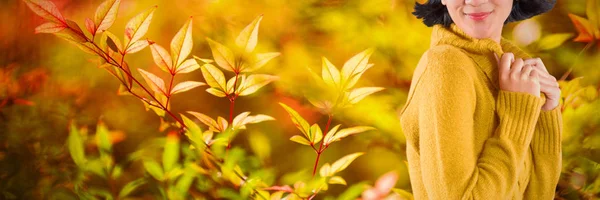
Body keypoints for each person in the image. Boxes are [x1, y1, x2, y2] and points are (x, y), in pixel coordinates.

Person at [399, 0, 562, 199]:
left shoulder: (512, 68)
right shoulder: (447, 67)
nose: (475, 1)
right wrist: (516, 119)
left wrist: (545, 113)